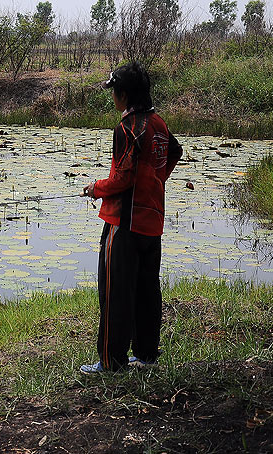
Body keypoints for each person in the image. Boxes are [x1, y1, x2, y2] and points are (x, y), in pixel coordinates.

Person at [79, 61, 181, 373]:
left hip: (123, 224)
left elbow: (123, 179)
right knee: (147, 289)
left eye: (114, 92)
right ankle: (147, 355)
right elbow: (175, 151)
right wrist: (157, 180)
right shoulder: (158, 123)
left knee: (114, 294)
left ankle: (111, 362)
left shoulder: (126, 129)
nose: (113, 98)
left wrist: (95, 188)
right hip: (152, 223)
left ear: (124, 95)